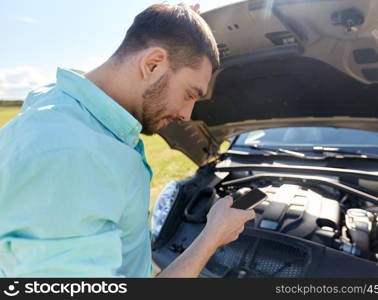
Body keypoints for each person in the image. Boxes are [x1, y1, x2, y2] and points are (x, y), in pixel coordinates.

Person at [0, 3, 255, 278]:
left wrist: (182, 21)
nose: (186, 114)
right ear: (152, 64)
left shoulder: (62, 105)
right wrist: (211, 238)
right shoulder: (72, 155)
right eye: (189, 94)